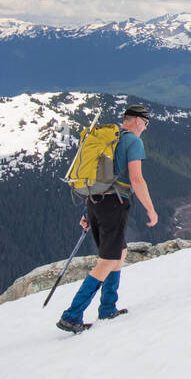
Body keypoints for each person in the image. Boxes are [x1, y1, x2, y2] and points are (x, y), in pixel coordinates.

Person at [57, 104, 159, 332]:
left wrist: (87, 213)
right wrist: (151, 210)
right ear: (137, 120)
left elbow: (98, 177)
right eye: (145, 123)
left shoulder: (108, 139)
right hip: (113, 204)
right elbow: (136, 179)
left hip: (94, 201)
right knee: (108, 260)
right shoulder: (132, 141)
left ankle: (107, 308)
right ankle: (72, 315)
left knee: (119, 252)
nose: (145, 128)